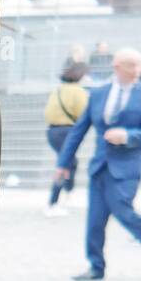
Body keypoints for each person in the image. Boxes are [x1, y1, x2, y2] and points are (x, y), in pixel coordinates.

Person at [55, 48, 141, 280]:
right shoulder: (98, 94)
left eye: (139, 65)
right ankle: (96, 266)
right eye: (131, 65)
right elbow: (79, 131)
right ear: (117, 66)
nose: (137, 70)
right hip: (100, 166)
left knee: (122, 209)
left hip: (127, 166)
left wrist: (128, 136)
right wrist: (63, 162)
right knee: (95, 219)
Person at [44, 61, 89, 216]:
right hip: (67, 132)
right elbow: (84, 113)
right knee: (64, 164)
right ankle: (53, 202)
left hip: (52, 131)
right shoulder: (78, 91)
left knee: (70, 163)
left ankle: (68, 194)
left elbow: (48, 112)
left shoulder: (57, 90)